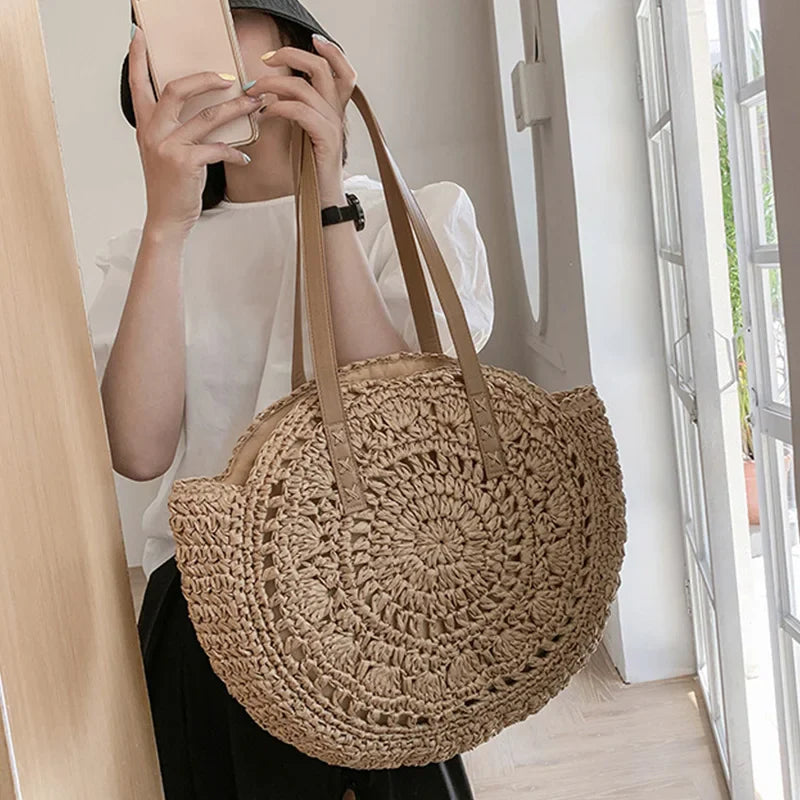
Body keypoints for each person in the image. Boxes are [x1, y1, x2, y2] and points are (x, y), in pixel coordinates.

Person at [87, 2, 494, 798]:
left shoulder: (408, 220)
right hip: (213, 617)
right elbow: (138, 450)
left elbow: (402, 424)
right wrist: (165, 222)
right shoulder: (146, 254)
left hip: (381, 596)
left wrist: (328, 190)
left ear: (302, 52)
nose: (200, 41)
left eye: (229, 13)